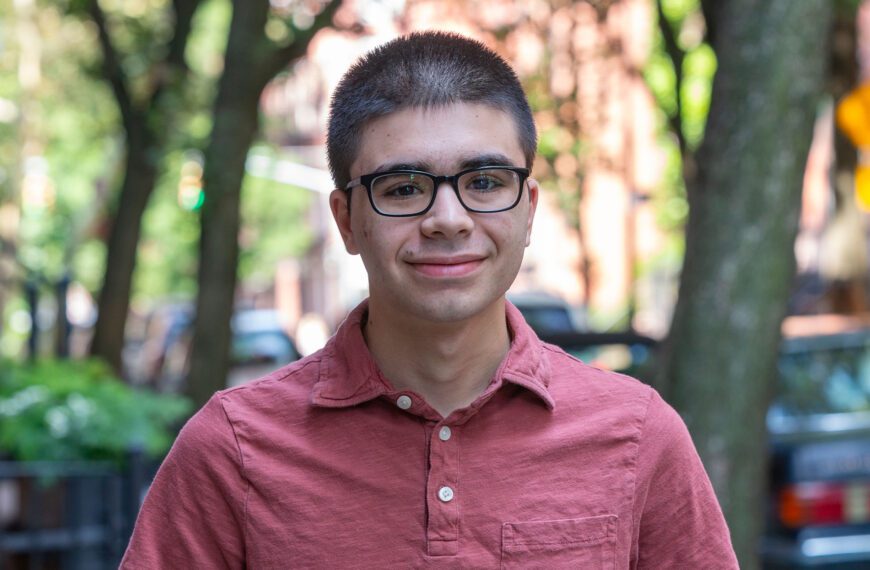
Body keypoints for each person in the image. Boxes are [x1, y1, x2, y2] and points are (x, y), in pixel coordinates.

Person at [121, 31, 738, 568]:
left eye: (486, 182)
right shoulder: (232, 449)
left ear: (528, 210)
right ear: (346, 220)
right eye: (405, 186)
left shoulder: (637, 434)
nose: (449, 218)